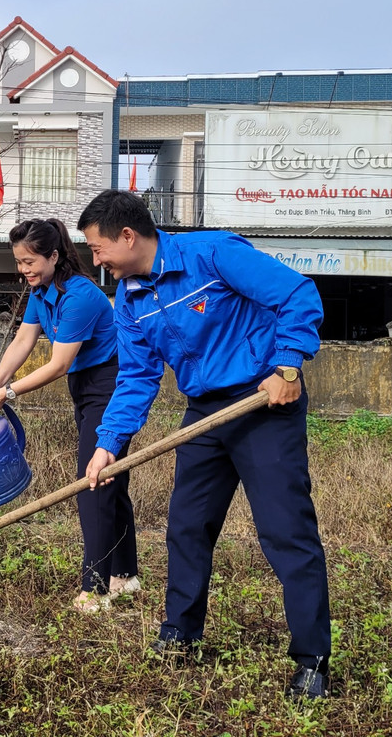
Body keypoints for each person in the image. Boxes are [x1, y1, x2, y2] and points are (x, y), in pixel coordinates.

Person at [77, 189, 332, 699]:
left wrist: (288, 365)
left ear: (127, 236)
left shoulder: (212, 254)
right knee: (187, 527)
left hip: (263, 402)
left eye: (98, 249)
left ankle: (312, 661)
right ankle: (180, 633)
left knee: (286, 532)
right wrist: (108, 444)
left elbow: (297, 294)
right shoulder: (129, 301)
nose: (97, 261)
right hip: (204, 414)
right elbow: (136, 378)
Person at [0, 218, 137, 613]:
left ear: (53, 256)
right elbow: (23, 339)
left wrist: (7, 393)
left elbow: (59, 363)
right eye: (19, 262)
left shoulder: (80, 295)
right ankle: (126, 575)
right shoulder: (41, 291)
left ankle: (95, 590)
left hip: (110, 385)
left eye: (30, 261)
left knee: (93, 482)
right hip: (85, 387)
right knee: (111, 478)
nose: (24, 269)